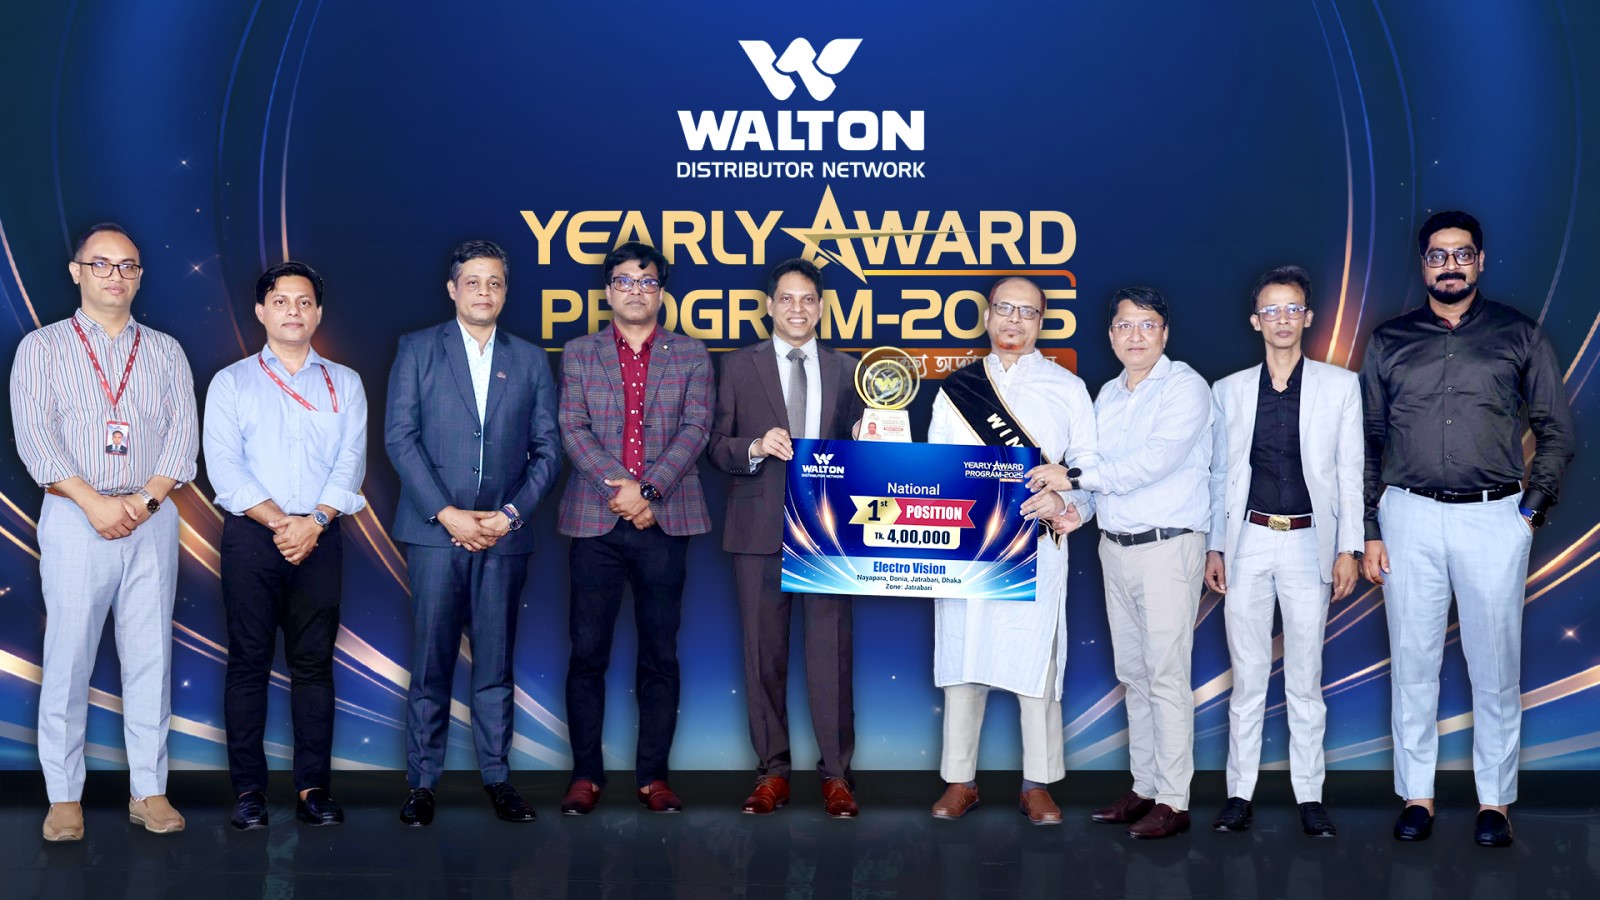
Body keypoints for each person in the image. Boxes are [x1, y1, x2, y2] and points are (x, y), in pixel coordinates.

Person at [1361, 211, 1574, 847]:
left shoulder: (1519, 334)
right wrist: (1372, 525)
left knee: (1496, 667)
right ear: (1423, 264)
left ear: (1479, 261)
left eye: (1461, 254)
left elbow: (1557, 430)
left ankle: (1494, 804)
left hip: (1494, 517)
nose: (1449, 265)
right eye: (1437, 255)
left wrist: (1529, 514)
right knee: (1413, 665)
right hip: (1407, 516)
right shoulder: (1388, 341)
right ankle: (1417, 797)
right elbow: (1368, 437)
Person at [9, 222, 198, 840]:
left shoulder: (165, 351)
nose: (115, 276)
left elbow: (182, 441)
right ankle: (64, 797)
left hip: (151, 516)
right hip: (74, 515)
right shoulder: (41, 348)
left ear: (139, 276)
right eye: (102, 264)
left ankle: (149, 790)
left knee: (151, 658)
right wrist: (93, 503)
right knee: (68, 658)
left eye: (128, 266)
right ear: (77, 272)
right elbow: (35, 438)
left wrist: (142, 502)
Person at [384, 240, 561, 825]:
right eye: (473, 281)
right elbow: (400, 438)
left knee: (495, 663)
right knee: (431, 662)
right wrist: (447, 513)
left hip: (504, 535)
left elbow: (547, 451)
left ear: (505, 292)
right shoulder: (417, 349)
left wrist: (509, 515)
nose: (484, 292)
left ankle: (497, 777)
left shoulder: (530, 359)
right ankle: (421, 784)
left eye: (495, 283)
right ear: (452, 288)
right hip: (436, 533)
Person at [1034, 286, 1211, 839]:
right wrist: (1074, 511)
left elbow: (1151, 464)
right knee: (1134, 674)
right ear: (1111, 335)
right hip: (1115, 548)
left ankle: (1175, 799)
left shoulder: (1185, 387)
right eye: (1125, 325)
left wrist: (1072, 480)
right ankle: (1145, 786)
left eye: (1148, 324)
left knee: (1165, 675)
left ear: (1165, 333)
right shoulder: (1107, 395)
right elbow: (1097, 475)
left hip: (1168, 548)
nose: (1136, 336)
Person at [203, 261, 368, 829]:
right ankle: (249, 793)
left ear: (318, 313)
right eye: (280, 301)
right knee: (248, 663)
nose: (293, 311)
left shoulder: (344, 382)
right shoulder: (231, 382)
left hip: (321, 534)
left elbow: (351, 461)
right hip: (253, 536)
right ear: (260, 311)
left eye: (304, 302)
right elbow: (224, 466)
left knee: (313, 666)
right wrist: (282, 523)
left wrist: (314, 522)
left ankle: (312, 790)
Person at [927, 277, 1097, 826]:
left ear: (1041, 322)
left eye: (1027, 312)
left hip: (1036, 544)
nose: (1014, 321)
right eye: (1005, 309)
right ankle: (960, 780)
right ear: (987, 316)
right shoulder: (957, 389)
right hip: (966, 545)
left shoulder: (1068, 388)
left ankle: (1038, 783)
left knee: (1036, 658)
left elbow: (1090, 469)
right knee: (964, 655)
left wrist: (1067, 504)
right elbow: (933, 468)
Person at [1203, 265, 1361, 838]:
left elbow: (1350, 473)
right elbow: (1219, 475)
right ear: (1256, 321)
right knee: (1247, 678)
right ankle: (1238, 794)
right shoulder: (1228, 391)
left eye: (1292, 308)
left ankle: (1310, 796)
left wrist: (1348, 548)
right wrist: (1216, 546)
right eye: (1271, 310)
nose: (1283, 319)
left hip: (1307, 542)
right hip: (1246, 541)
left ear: (1308, 317)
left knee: (1305, 678)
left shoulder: (1341, 386)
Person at [557, 242, 713, 815]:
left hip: (665, 521)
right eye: (624, 281)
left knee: (660, 655)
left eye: (647, 282)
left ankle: (653, 777)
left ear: (661, 292)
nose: (636, 291)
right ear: (608, 291)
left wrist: (648, 492)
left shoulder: (691, 354)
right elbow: (572, 428)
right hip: (594, 523)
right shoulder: (580, 352)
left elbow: (696, 429)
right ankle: (585, 776)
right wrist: (620, 491)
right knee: (587, 654)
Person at [706, 259, 864, 818]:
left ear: (821, 307)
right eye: (787, 299)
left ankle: (837, 775)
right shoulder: (736, 366)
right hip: (758, 530)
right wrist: (753, 446)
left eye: (808, 299)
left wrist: (871, 440)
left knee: (831, 656)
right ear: (769, 305)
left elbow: (864, 450)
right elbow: (715, 445)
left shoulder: (849, 370)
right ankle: (772, 772)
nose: (798, 308)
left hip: (827, 533)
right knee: (762, 657)